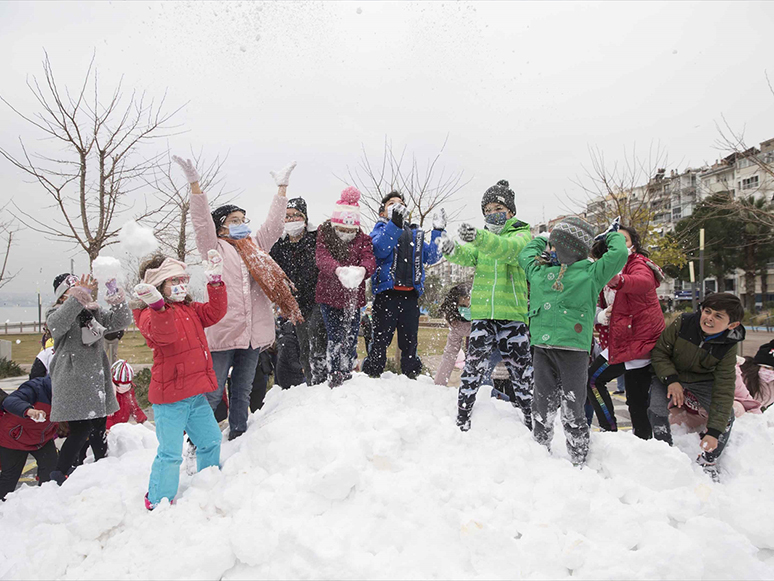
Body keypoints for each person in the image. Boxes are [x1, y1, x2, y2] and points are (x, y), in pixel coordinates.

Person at [177, 155, 301, 440]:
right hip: (223, 333)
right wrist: (195, 185)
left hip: (251, 335)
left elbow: (274, 225)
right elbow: (200, 222)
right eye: (234, 221)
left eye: (244, 220)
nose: (242, 224)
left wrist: (282, 188)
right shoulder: (214, 248)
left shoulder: (256, 248)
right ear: (221, 228)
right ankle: (199, 440)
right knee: (213, 391)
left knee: (242, 391)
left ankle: (238, 435)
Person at [518, 217, 628, 466]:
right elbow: (525, 255)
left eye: (556, 246)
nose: (551, 251)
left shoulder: (590, 273)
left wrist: (609, 236)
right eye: (551, 246)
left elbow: (619, 253)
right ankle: (539, 455)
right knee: (541, 405)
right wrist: (543, 238)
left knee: (573, 407)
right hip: (543, 349)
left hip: (574, 351)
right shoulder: (540, 271)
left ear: (570, 249)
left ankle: (578, 459)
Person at [133, 251, 227, 509]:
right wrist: (157, 308)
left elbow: (215, 313)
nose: (180, 285)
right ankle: (158, 500)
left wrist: (216, 282)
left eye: (182, 279)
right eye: (172, 281)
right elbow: (164, 336)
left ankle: (208, 483)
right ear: (158, 287)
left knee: (210, 441)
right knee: (170, 454)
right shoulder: (147, 315)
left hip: (196, 395)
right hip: (170, 400)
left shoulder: (190, 309)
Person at [439, 180, 534, 431]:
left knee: (521, 373)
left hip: (512, 318)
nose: (493, 213)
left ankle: (531, 420)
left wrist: (481, 237)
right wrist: (450, 249)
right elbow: (466, 254)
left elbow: (509, 251)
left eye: (498, 207)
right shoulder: (482, 242)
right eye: (488, 209)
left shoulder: (523, 236)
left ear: (511, 211)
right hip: (482, 316)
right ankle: (462, 417)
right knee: (473, 369)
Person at [648, 293, 746, 482]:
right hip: (670, 373)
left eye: (718, 316)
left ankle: (708, 461)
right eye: (707, 311)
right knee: (656, 408)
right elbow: (660, 352)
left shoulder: (728, 346)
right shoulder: (684, 323)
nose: (709, 318)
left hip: (702, 381)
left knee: (726, 417)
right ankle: (665, 455)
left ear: (732, 325)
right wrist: (671, 379)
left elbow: (724, 386)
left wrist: (714, 432)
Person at [46, 272, 131, 485]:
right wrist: (78, 297)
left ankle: (103, 465)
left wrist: (115, 295)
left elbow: (121, 321)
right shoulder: (56, 313)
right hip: (72, 376)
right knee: (81, 428)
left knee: (98, 426)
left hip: (95, 376)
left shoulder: (94, 312)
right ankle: (60, 474)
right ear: (63, 296)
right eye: (73, 290)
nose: (84, 294)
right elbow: (57, 326)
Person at [587, 224, 665, 438]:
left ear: (634, 245)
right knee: (634, 400)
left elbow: (643, 281)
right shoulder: (606, 267)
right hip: (622, 341)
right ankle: (631, 438)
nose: (620, 245)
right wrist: (601, 314)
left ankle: (614, 432)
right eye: (615, 240)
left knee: (595, 380)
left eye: (625, 240)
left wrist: (619, 280)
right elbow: (596, 301)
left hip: (640, 341)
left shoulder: (638, 263)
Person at [361, 192, 446, 379]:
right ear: (383, 212)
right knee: (380, 340)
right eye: (391, 204)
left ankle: (412, 376)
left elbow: (431, 256)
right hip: (386, 295)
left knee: (410, 341)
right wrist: (395, 225)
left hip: (410, 296)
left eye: (400, 204)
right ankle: (372, 375)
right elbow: (380, 250)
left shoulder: (415, 233)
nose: (397, 206)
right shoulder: (380, 230)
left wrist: (439, 230)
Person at [315, 187, 376, 387]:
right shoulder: (325, 235)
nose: (346, 234)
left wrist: (361, 271)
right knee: (334, 336)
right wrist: (338, 270)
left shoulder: (364, 239)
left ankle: (347, 369)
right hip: (329, 296)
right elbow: (322, 258)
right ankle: (335, 372)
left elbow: (370, 260)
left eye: (351, 231)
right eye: (342, 230)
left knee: (350, 335)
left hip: (353, 299)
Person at [270, 197, 328, 385]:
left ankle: (324, 383)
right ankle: (312, 383)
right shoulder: (279, 246)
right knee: (304, 347)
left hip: (319, 299)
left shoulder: (317, 238)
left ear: (305, 217)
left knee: (317, 338)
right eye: (287, 216)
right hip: (296, 304)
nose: (292, 219)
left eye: (296, 215)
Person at [0, 375, 59, 500]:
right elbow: (9, 401)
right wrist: (28, 410)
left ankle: (46, 503)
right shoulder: (37, 388)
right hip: (13, 438)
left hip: (42, 438)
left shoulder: (70, 394)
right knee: (9, 479)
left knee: (51, 471)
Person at [434, 282, 472, 386]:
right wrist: (439, 384)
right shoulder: (457, 324)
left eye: (470, 305)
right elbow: (450, 355)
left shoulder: (483, 320)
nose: (467, 308)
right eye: (463, 306)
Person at [106, 359, 148, 430]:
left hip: (123, 426)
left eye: (126, 385)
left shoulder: (129, 390)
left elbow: (134, 407)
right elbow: (107, 417)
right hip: (110, 429)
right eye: (121, 385)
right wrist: (110, 429)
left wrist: (143, 421)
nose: (124, 388)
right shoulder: (109, 393)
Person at [274, 320, 306, 389]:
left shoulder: (285, 338)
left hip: (285, 376)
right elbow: (292, 361)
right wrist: (303, 369)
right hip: (290, 377)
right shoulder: (289, 341)